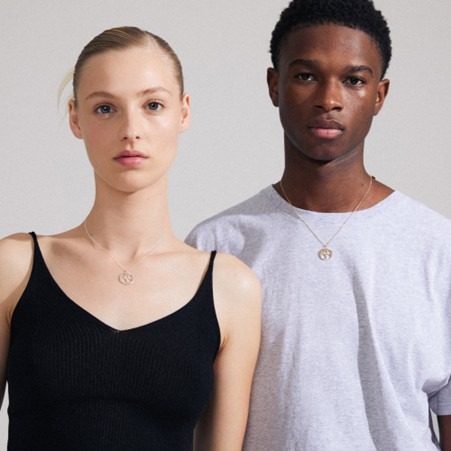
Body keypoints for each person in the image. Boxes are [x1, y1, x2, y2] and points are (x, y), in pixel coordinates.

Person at [186, 0, 451, 449]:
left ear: (379, 95)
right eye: (307, 76)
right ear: (275, 85)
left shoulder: (437, 246)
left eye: (354, 80)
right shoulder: (215, 247)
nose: (329, 99)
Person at [0, 26, 261, 450]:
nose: (131, 129)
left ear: (183, 112)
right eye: (105, 108)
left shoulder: (231, 290)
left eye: (153, 105)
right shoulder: (14, 267)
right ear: (75, 118)